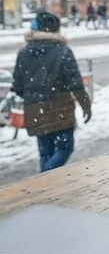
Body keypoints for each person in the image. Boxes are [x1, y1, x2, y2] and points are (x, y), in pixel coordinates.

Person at [11, 11, 92, 172]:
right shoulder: (63, 51)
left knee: (45, 151)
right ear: (55, 29)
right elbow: (75, 83)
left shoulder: (24, 53)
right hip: (60, 109)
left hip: (35, 109)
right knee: (65, 147)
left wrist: (34, 96)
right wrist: (85, 106)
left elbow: (18, 85)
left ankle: (46, 187)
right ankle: (44, 178)